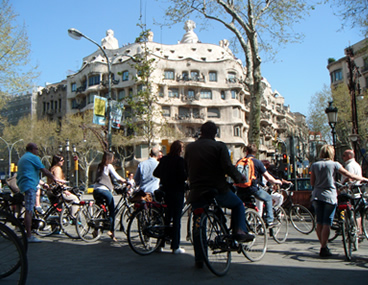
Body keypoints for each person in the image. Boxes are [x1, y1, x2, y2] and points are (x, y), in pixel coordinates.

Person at [184, 121, 254, 268]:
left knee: (198, 224)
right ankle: (239, 230)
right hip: (216, 189)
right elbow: (227, 166)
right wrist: (239, 177)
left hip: (197, 192)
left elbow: (186, 168)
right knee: (237, 204)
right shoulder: (219, 146)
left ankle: (199, 258)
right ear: (214, 133)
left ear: (201, 132)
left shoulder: (190, 147)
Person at [310, 145, 368, 258]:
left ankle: (323, 246)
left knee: (319, 222)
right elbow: (348, 175)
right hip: (330, 196)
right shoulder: (334, 164)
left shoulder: (314, 165)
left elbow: (312, 183)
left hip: (317, 196)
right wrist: (364, 179)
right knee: (327, 222)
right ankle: (323, 247)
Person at [16, 143, 65, 243]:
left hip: (24, 184)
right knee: (29, 210)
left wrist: (43, 184)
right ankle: (29, 235)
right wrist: (55, 179)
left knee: (30, 209)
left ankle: (28, 230)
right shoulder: (33, 157)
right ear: (32, 149)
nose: (37, 151)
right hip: (29, 186)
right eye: (36, 149)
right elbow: (45, 171)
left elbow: (30, 174)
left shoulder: (24, 158)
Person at [235, 144, 282, 227]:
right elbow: (268, 177)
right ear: (255, 153)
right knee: (268, 198)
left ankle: (238, 226)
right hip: (252, 189)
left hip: (240, 189)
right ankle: (269, 221)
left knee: (239, 206)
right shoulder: (257, 162)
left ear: (246, 152)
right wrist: (276, 181)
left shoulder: (240, 161)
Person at [153, 140, 187, 254]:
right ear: (179, 150)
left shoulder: (164, 160)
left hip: (165, 191)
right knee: (176, 219)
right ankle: (175, 246)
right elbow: (183, 176)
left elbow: (156, 173)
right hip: (177, 192)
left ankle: (160, 244)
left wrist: (165, 176)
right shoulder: (180, 161)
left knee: (165, 218)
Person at [93, 151, 126, 242]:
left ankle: (96, 229)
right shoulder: (109, 166)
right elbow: (117, 177)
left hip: (95, 190)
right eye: (112, 158)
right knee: (112, 210)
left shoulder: (99, 166)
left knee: (100, 209)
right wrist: (125, 181)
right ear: (110, 158)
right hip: (104, 190)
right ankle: (111, 231)